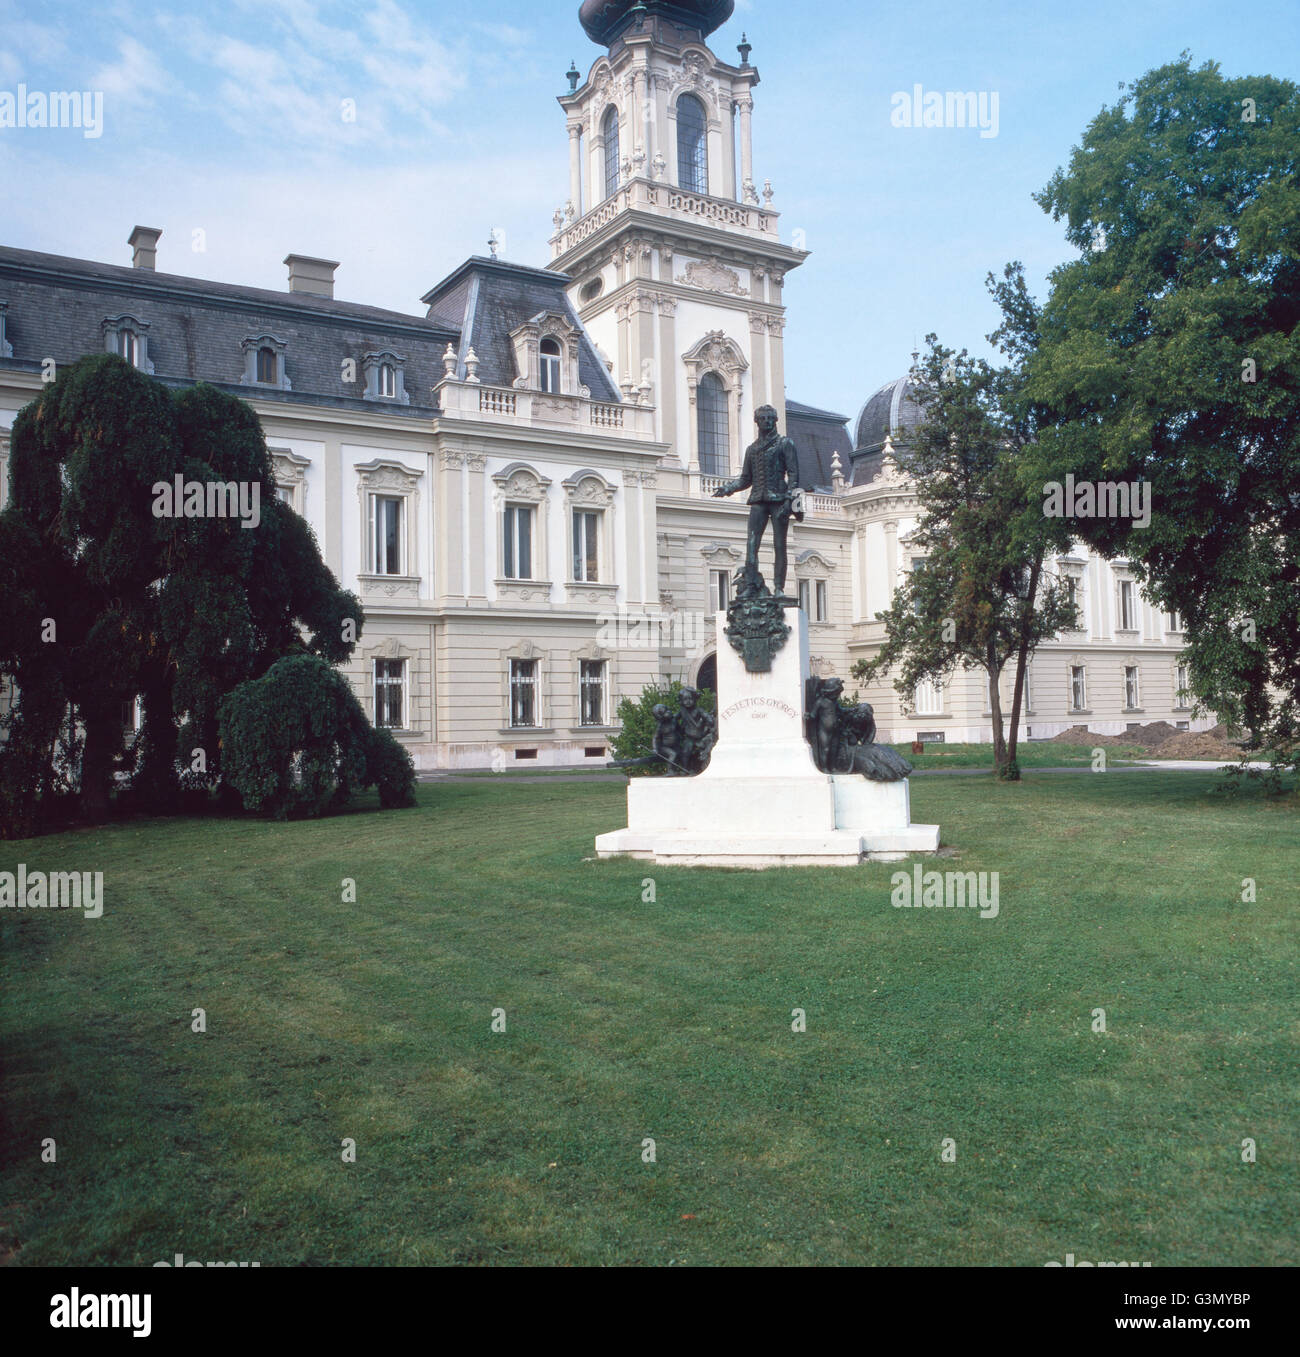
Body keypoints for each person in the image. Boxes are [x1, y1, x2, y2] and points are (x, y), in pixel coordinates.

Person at [712, 404, 803, 598]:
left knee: (780, 545)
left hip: (780, 500)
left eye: (771, 418)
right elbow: (746, 478)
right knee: (752, 544)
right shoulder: (751, 449)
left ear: (776, 420)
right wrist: (728, 489)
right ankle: (751, 586)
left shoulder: (784, 443)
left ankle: (779, 588)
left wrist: (789, 499)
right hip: (758, 500)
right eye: (763, 418)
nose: (768, 421)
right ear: (757, 422)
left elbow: (794, 474)